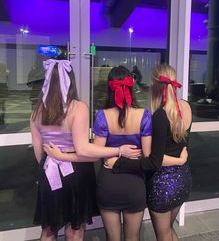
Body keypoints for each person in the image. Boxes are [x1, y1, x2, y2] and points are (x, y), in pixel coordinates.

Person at [31, 59, 141, 241]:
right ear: (71, 80)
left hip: (49, 172)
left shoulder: (36, 112)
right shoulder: (78, 108)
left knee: (49, 230)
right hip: (76, 173)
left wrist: (52, 163)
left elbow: (38, 151)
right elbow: (83, 149)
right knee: (75, 230)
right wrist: (118, 150)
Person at [107, 65, 192, 241]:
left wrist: (119, 163)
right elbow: (180, 148)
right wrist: (180, 160)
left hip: (163, 186)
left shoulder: (160, 116)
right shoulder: (186, 107)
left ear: (155, 85)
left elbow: (154, 161)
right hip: (183, 180)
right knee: (168, 230)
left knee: (164, 235)